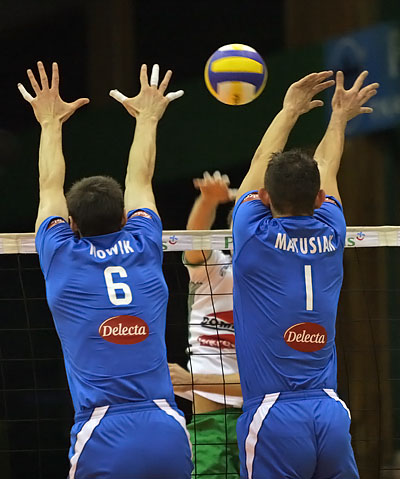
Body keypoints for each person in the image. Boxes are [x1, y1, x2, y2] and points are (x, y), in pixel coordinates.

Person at [18, 61, 192, 479]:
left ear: (72, 224)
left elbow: (48, 185)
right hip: (167, 424)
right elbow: (141, 179)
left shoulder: (61, 253)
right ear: (125, 218)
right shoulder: (144, 243)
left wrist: (50, 123)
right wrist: (148, 118)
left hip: (102, 430)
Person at [232, 70, 379, 478]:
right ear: (320, 198)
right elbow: (326, 164)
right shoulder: (332, 229)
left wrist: (289, 111)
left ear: (264, 197)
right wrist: (340, 118)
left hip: (273, 414)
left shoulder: (253, 233)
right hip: (330, 411)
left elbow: (260, 163)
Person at [169, 170, 242, 479]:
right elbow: (195, 237)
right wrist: (209, 200)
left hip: (261, 416)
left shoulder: (278, 281)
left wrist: (191, 380)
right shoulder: (214, 269)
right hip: (211, 422)